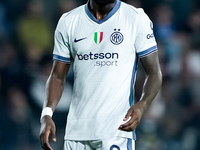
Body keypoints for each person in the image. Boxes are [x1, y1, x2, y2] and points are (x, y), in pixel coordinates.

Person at [39, 0, 162, 149]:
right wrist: (46, 114)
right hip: (76, 133)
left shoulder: (136, 18)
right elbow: (57, 77)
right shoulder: (68, 21)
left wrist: (143, 104)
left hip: (116, 130)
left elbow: (154, 72)